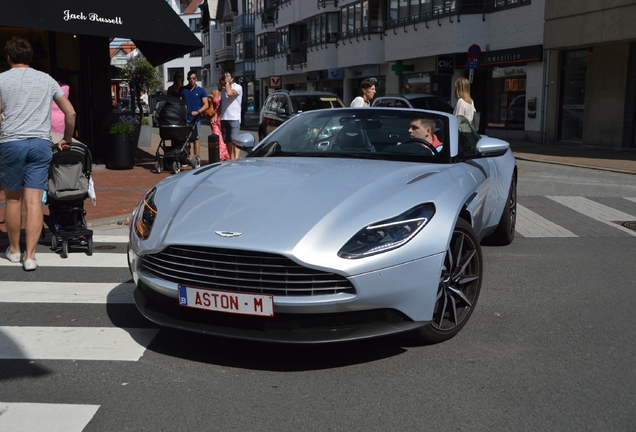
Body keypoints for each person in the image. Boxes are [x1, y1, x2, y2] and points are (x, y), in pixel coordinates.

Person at [0, 36, 76, 271]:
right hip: (40, 144)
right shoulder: (47, 80)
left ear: (9, 57)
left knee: (12, 199)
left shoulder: (1, 79)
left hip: (11, 142)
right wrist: (67, 138)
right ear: (31, 58)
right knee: (34, 201)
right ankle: (30, 256)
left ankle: (14, 250)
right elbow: (70, 113)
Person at [179, 70, 209, 161]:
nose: (192, 80)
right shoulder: (183, 90)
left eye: (194, 78)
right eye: (190, 78)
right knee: (184, 139)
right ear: (188, 79)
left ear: (196, 79)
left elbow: (206, 104)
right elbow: (180, 102)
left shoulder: (201, 90)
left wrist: (198, 111)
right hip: (185, 118)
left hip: (196, 119)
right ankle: (186, 156)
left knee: (196, 138)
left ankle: (196, 158)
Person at [219, 71, 243, 159]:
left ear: (232, 78)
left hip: (234, 118)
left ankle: (236, 159)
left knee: (235, 140)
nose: (225, 78)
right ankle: (231, 158)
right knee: (227, 141)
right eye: (224, 76)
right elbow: (221, 104)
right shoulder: (223, 90)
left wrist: (227, 82)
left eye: (227, 76)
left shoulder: (238, 87)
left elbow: (230, 93)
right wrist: (216, 115)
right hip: (224, 118)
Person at [207, 89, 230, 161]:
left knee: (224, 138)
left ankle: (226, 155)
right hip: (214, 118)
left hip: (224, 118)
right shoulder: (214, 92)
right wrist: (210, 101)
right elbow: (209, 105)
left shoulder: (227, 93)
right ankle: (221, 156)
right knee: (219, 138)